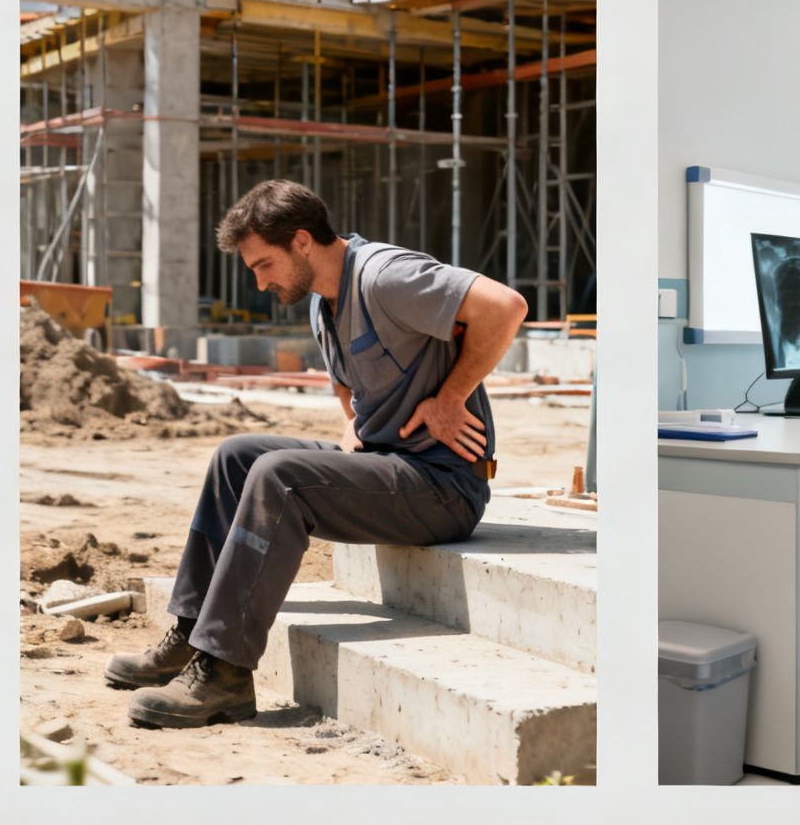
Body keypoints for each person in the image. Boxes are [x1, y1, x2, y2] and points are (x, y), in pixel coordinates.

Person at [106, 179, 529, 728]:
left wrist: (450, 399)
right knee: (237, 455)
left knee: (281, 476)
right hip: (385, 466)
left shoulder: (385, 276)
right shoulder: (322, 302)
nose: (259, 282)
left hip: (443, 487)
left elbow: (506, 306)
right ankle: (190, 634)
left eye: (263, 265)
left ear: (301, 241)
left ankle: (226, 672)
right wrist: (352, 427)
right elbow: (345, 383)